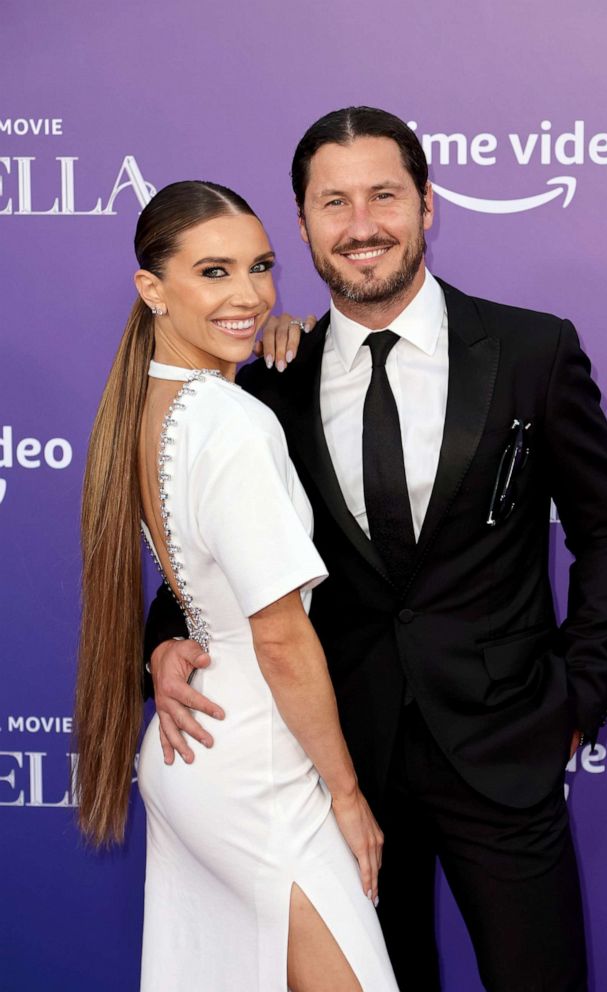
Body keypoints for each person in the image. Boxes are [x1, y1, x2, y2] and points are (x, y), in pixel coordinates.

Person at [145, 109, 607, 992]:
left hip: (503, 744)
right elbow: (222, 549)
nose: (361, 224)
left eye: (384, 195)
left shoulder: (533, 349)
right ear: (301, 225)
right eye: (332, 202)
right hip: (339, 763)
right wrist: (161, 640)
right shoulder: (268, 379)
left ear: (426, 205)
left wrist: (581, 692)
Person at [74, 179, 400, 992]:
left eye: (260, 267)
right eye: (214, 272)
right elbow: (282, 637)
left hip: (199, 759)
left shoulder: (147, 406)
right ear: (153, 289)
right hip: (260, 775)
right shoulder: (231, 422)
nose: (251, 295)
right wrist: (347, 794)